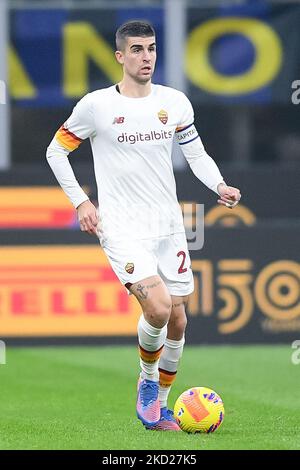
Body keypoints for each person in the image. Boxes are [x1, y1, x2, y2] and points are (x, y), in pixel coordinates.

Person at [46, 20, 241, 431]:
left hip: (168, 224)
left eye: (151, 48)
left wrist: (219, 184)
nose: (146, 56)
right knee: (157, 306)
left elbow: (197, 154)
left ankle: (162, 407)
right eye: (136, 49)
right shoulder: (96, 106)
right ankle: (148, 384)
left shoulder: (175, 102)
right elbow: (56, 151)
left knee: (179, 320)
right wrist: (81, 201)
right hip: (121, 226)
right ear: (120, 56)